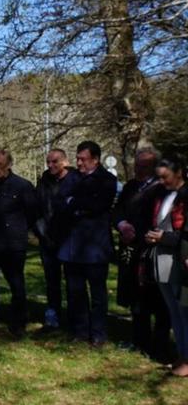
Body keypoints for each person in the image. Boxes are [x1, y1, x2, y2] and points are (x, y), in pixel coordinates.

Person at [56, 141, 118, 346]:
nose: (79, 163)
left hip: (95, 246)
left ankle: (98, 332)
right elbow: (60, 202)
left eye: (83, 159)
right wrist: (77, 205)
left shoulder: (107, 180)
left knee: (98, 293)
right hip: (72, 246)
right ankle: (80, 330)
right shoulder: (72, 178)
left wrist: (74, 203)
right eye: (78, 159)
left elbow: (98, 206)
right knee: (75, 292)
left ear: (95, 159)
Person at [114, 149, 170, 359]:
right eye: (136, 165)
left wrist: (142, 233)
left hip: (151, 249)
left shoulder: (161, 189)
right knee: (136, 298)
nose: (138, 170)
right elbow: (117, 210)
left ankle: (160, 345)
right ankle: (139, 339)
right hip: (131, 249)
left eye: (143, 167)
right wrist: (122, 224)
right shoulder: (130, 186)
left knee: (158, 300)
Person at [0, 149, 37, 338]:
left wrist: (21, 231)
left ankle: (18, 320)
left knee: (16, 283)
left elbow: (32, 213)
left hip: (12, 243)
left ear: (9, 165)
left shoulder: (22, 186)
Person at [144, 158, 188, 376]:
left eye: (165, 177)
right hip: (162, 258)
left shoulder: (186, 195)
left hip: (181, 259)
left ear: (178, 172)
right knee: (174, 311)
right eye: (159, 177)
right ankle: (181, 354)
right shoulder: (162, 194)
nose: (161, 181)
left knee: (184, 310)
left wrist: (164, 237)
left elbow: (185, 234)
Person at [34, 148, 74, 330]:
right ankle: (53, 315)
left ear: (65, 162)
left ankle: (75, 318)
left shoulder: (75, 181)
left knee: (73, 281)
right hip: (47, 238)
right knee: (52, 281)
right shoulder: (43, 183)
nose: (50, 165)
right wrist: (42, 234)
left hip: (70, 239)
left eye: (55, 161)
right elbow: (37, 210)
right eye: (48, 162)